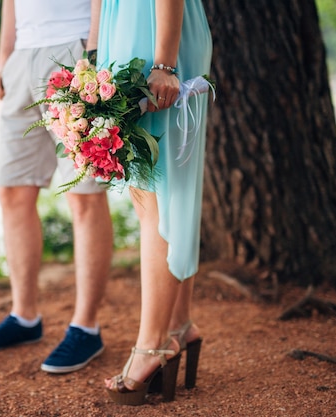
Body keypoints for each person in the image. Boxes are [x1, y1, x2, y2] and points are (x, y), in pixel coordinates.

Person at [0, 0, 113, 375]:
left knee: (84, 196)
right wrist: (3, 60)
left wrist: (93, 50)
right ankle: (24, 317)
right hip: (21, 58)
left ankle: (86, 327)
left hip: (74, 48)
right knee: (12, 191)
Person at [95, 0, 212, 405]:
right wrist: (94, 58)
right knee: (159, 195)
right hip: (126, 31)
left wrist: (165, 63)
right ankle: (178, 325)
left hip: (154, 33)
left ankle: (151, 347)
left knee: (156, 199)